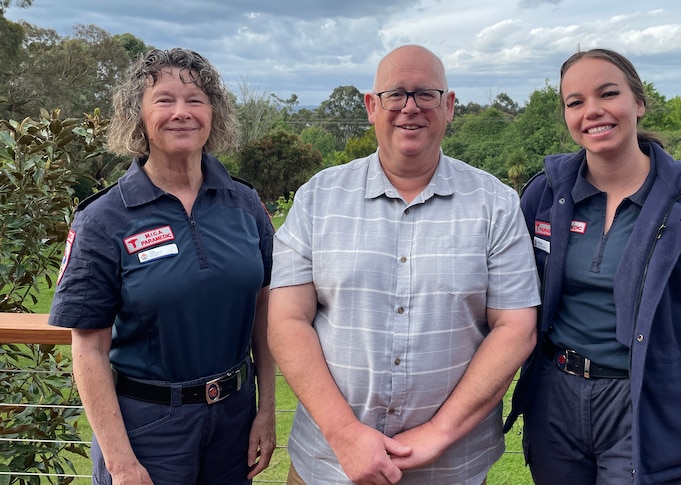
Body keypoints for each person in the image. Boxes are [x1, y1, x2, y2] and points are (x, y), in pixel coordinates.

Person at [267, 44, 541, 485]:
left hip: (451, 467)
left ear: (449, 106)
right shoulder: (317, 198)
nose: (409, 108)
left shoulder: (495, 204)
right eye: (395, 94)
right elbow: (287, 320)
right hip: (328, 465)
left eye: (426, 94)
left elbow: (515, 328)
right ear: (371, 107)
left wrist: (438, 433)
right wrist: (344, 434)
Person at [504, 48, 681, 484]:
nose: (593, 111)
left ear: (638, 103)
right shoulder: (544, 195)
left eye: (608, 93)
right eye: (575, 102)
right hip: (556, 403)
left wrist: (678, 401)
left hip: (645, 403)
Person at [48, 48, 276, 484]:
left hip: (234, 421)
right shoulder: (102, 219)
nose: (182, 113)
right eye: (164, 100)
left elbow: (266, 311)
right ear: (139, 114)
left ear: (214, 113)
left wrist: (266, 411)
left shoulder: (244, 203)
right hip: (147, 429)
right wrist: (121, 463)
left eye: (195, 100)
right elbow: (89, 349)